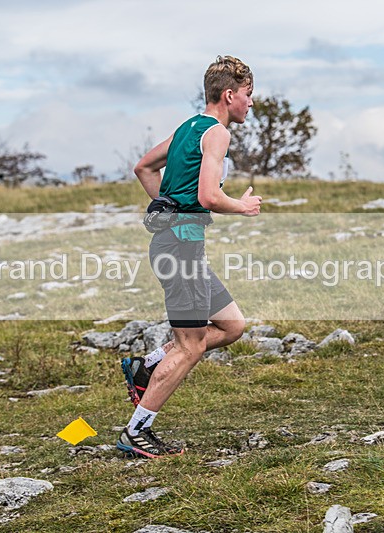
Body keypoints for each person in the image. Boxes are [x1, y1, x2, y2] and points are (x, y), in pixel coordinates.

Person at [117, 55, 262, 458]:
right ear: (229, 94)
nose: (251, 103)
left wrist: (165, 205)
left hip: (180, 246)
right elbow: (208, 197)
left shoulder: (187, 128)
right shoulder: (216, 133)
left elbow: (143, 167)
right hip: (180, 248)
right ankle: (136, 432)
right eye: (248, 95)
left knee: (232, 326)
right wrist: (242, 207)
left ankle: (146, 366)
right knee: (191, 345)